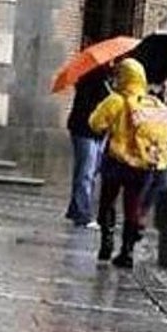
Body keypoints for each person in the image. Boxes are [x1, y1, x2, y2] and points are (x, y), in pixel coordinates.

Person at [89, 58, 167, 268]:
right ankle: (127, 252)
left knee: (107, 201)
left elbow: (95, 124)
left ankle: (106, 242)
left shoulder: (116, 100)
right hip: (142, 165)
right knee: (132, 206)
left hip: (117, 161)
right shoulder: (152, 103)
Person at [64, 72, 110, 229]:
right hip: (85, 131)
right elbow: (88, 108)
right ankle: (83, 215)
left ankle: (75, 209)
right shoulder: (92, 80)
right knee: (86, 173)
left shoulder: (105, 81)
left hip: (96, 132)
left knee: (88, 171)